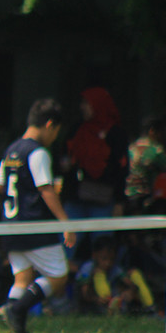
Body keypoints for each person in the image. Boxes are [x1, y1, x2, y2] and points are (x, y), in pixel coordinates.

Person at [0, 98, 75, 333]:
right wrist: (65, 222)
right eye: (56, 131)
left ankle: (16, 331)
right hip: (34, 225)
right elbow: (46, 189)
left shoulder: (11, 150)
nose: (55, 137)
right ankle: (16, 309)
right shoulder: (38, 152)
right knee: (59, 277)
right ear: (50, 124)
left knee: (23, 277)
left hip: (10, 225)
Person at [60, 87, 128, 257]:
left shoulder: (115, 133)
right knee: (67, 244)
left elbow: (122, 168)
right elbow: (64, 155)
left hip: (103, 199)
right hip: (75, 198)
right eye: (82, 103)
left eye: (87, 103)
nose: (83, 107)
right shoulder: (77, 129)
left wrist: (119, 202)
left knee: (102, 247)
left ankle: (99, 282)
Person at [75, 237, 156, 315]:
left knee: (135, 274)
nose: (108, 263)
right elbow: (84, 294)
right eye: (104, 259)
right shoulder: (87, 268)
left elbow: (131, 284)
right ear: (94, 255)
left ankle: (150, 308)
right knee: (99, 275)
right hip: (91, 305)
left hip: (111, 299)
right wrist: (96, 299)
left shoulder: (115, 268)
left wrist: (130, 291)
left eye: (111, 259)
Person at [125, 117, 166, 214]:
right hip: (147, 196)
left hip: (128, 194)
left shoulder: (131, 148)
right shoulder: (156, 150)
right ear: (152, 131)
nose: (163, 136)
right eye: (161, 132)